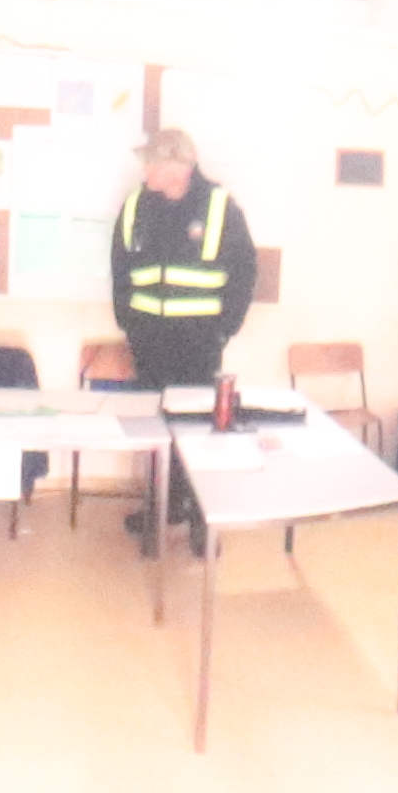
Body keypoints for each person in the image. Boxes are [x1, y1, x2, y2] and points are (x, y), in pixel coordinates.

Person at [112, 127, 256, 536]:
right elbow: (120, 266)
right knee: (157, 430)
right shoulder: (138, 204)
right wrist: (128, 323)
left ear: (178, 166)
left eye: (152, 164)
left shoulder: (220, 206)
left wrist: (224, 329)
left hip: (198, 343)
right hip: (148, 341)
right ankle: (161, 509)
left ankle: (198, 516)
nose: (146, 173)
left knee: (196, 430)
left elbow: (245, 271)